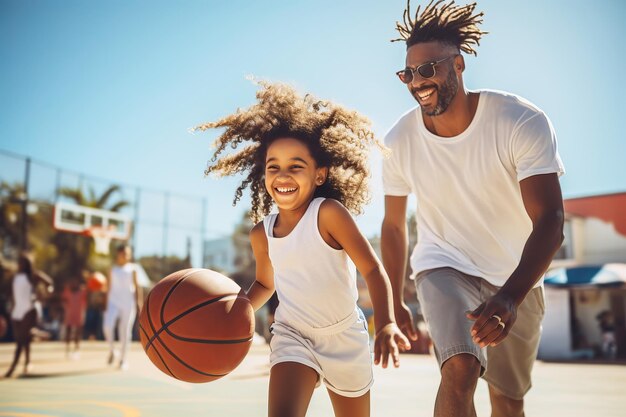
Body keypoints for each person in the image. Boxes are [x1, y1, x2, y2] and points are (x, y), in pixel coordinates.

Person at [381, 2, 565, 416]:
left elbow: (551, 222)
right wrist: (394, 301)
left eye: (428, 69)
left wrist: (512, 297)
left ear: (458, 65)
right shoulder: (399, 141)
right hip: (444, 265)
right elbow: (393, 228)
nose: (417, 82)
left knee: (508, 400)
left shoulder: (518, 120)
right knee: (460, 368)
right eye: (408, 73)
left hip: (517, 275)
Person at [194, 81, 409, 417]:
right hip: (293, 334)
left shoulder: (328, 214)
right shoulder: (261, 235)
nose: (283, 175)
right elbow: (266, 284)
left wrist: (385, 323)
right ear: (262, 175)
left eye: (296, 166)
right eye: (273, 167)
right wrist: (235, 312)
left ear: (319, 174)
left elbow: (372, 269)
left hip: (345, 337)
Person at [4, 252, 54, 377]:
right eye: (19, 261)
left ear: (27, 264)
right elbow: (12, 293)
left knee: (20, 340)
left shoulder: (33, 275)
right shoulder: (15, 277)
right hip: (16, 311)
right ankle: (28, 360)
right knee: (23, 338)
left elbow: (49, 283)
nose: (19, 264)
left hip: (28, 309)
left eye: (22, 262)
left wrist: (45, 294)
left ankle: (12, 367)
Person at [103, 244, 142, 370]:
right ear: (118, 254)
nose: (126, 255)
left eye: (128, 253)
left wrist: (139, 302)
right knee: (107, 326)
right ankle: (112, 350)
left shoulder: (133, 269)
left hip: (128, 303)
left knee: (124, 331)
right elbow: (108, 287)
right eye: (124, 253)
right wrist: (104, 302)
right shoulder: (112, 269)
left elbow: (137, 287)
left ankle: (123, 360)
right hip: (113, 302)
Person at [62, 274, 87, 359]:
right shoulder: (68, 290)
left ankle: (77, 349)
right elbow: (64, 300)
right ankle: (67, 349)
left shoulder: (82, 291)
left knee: (78, 333)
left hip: (79, 314)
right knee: (68, 332)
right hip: (69, 314)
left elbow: (87, 299)